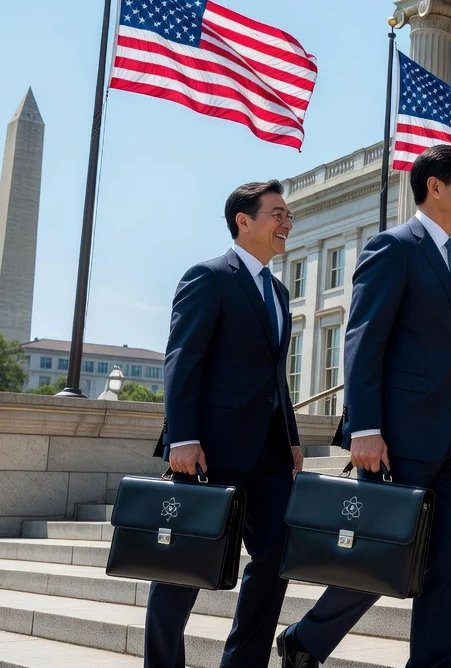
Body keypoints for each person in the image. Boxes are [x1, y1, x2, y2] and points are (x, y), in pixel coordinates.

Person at [274, 145, 451, 668]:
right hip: (401, 436)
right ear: (434, 186)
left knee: (450, 565)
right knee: (382, 551)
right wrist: (364, 425)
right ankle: (306, 639)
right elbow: (362, 342)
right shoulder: (393, 248)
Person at [147, 180, 303, 668]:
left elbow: (275, 375)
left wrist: (293, 440)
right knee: (182, 569)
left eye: (288, 214)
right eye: (277, 213)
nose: (287, 223)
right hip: (209, 449)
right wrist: (184, 438)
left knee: (277, 556)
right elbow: (183, 360)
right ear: (244, 221)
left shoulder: (278, 291)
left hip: (271, 454)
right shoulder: (208, 277)